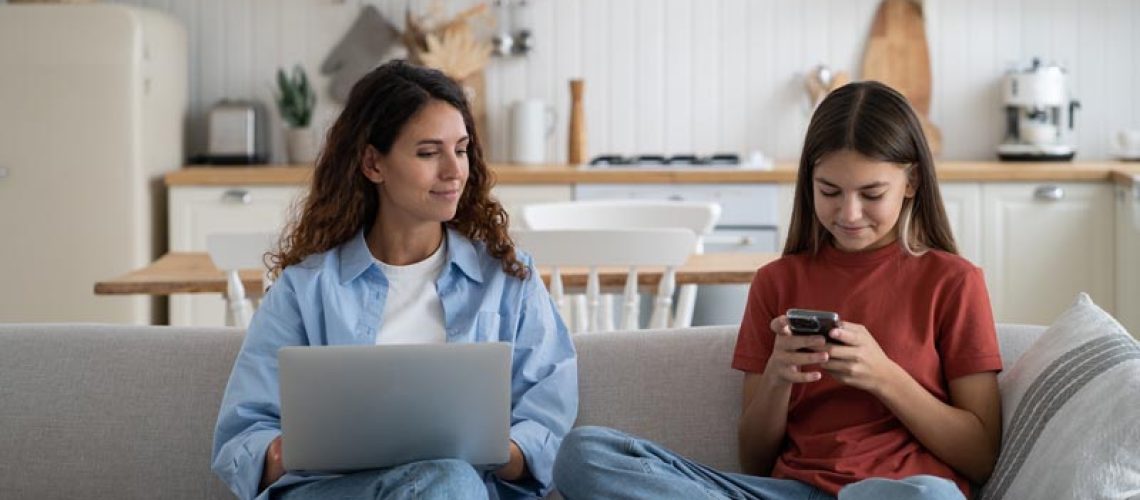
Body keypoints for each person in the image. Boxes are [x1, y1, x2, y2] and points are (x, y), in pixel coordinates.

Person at [553, 81, 1003, 500]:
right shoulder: (777, 281)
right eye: (829, 191)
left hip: (897, 490)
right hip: (790, 491)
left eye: (871, 193)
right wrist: (778, 376)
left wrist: (884, 376)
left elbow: (980, 456)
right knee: (582, 453)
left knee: (931, 496)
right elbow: (755, 460)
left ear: (912, 183)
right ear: (809, 183)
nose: (849, 212)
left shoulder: (954, 282)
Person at [211, 60, 578, 500]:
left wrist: (495, 448)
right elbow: (242, 435)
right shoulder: (307, 288)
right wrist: (296, 449)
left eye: (460, 149)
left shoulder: (507, 278)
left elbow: (548, 424)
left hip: (465, 491)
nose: (454, 170)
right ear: (372, 163)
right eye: (428, 152)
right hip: (337, 493)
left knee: (453, 481)